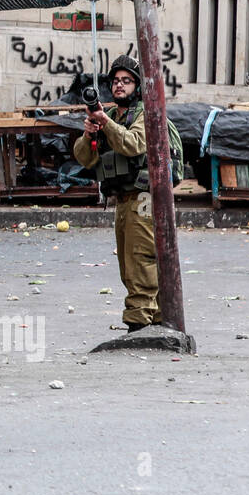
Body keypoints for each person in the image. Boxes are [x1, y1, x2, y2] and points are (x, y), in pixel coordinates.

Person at [72, 54, 160, 332]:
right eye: (116, 81)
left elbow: (134, 144)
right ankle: (151, 315)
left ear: (137, 86)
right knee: (126, 261)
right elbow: (84, 158)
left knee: (141, 257)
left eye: (127, 81)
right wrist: (89, 133)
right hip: (122, 198)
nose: (119, 86)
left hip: (143, 197)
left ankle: (139, 320)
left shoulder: (145, 114)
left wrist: (106, 125)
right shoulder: (111, 116)